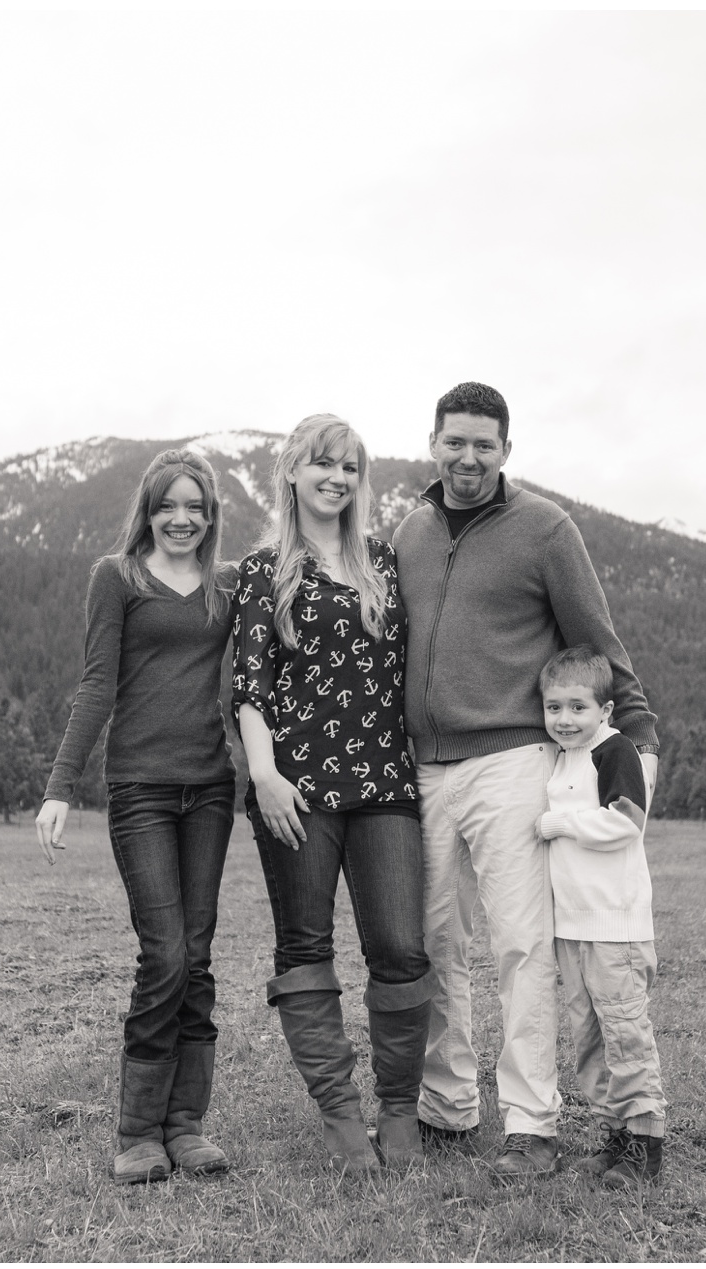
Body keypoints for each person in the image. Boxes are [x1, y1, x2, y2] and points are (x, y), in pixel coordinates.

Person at [390, 381, 660, 1181]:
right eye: (454, 441)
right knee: (434, 943)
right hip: (422, 768)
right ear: (432, 443)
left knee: (518, 946)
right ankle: (447, 1107)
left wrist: (637, 741)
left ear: (506, 450)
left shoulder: (546, 529)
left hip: (512, 761)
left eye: (484, 443)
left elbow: (599, 645)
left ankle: (532, 1125)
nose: (467, 456)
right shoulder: (408, 531)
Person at [233, 413, 436, 1174]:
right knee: (305, 946)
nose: (336, 478)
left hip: (384, 781)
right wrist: (264, 774)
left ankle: (398, 1110)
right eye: (322, 464)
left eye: (350, 467)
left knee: (399, 946)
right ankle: (343, 1117)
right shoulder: (262, 570)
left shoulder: (382, 561)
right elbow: (250, 686)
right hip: (296, 789)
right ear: (291, 471)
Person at [35, 448, 239, 1186]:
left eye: (195, 506)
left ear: (211, 514)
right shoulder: (115, 577)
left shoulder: (228, 585)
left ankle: (185, 1125)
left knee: (200, 953)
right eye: (168, 506)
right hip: (142, 792)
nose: (181, 519)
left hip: (211, 790)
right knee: (165, 954)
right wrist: (61, 785)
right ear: (147, 511)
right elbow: (97, 683)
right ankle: (136, 1132)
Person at [536, 646, 666, 1188]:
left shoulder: (613, 752)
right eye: (554, 708)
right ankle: (614, 1135)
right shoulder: (562, 756)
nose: (565, 719)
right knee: (587, 1035)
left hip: (614, 924)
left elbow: (626, 823)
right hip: (572, 924)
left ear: (605, 712)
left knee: (623, 1030)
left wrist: (561, 823)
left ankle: (645, 1142)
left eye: (577, 708)